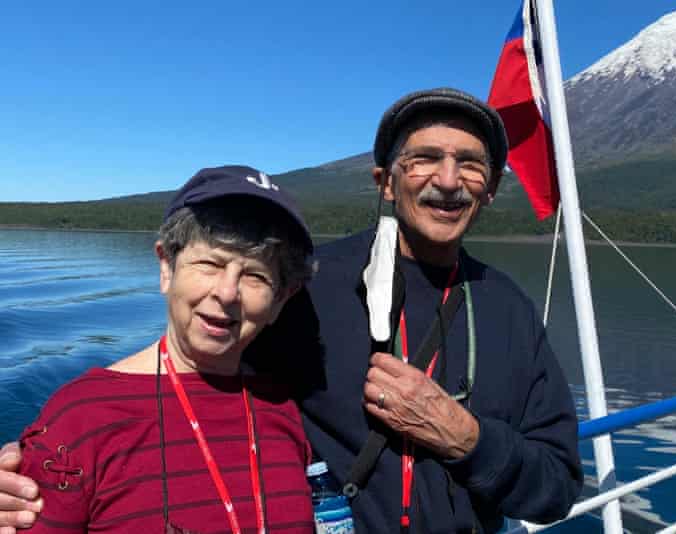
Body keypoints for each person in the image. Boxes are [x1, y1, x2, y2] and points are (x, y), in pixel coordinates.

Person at [0, 88, 582, 533]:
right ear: (385, 181)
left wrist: (467, 439)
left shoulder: (510, 310)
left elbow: (556, 488)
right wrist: (44, 459)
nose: (448, 181)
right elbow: (198, 372)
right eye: (424, 159)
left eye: (471, 165)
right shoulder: (310, 287)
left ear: (491, 189)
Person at [4, 166, 317, 533]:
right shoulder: (84, 417)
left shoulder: (282, 408)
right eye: (209, 264)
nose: (227, 292)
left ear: (281, 298)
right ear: (166, 267)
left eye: (256, 275)